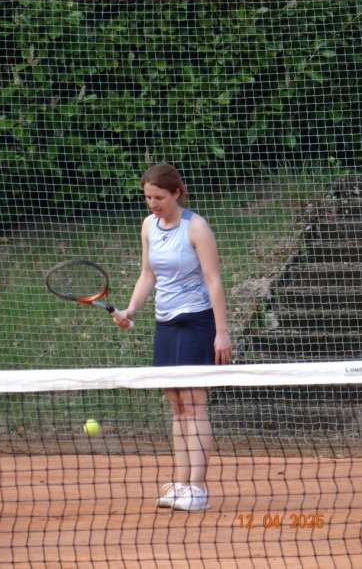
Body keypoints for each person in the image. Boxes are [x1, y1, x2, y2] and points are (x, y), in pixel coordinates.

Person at [114, 163, 233, 511]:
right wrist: (131, 309)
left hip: (197, 322)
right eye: (148, 197)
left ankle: (198, 488)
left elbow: (214, 281)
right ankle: (181, 483)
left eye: (159, 197)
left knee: (194, 405)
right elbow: (147, 274)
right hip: (165, 324)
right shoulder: (148, 226)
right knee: (177, 407)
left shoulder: (196, 227)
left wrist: (222, 333)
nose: (153, 204)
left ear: (176, 193)